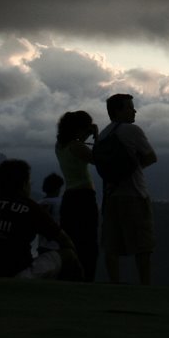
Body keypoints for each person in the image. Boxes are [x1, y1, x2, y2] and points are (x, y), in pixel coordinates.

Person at [0, 159, 79, 279]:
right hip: (17, 273)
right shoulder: (30, 207)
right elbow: (64, 240)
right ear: (24, 184)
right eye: (30, 182)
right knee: (69, 254)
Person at [96, 93, 158, 285]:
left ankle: (114, 284)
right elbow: (150, 157)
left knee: (111, 246)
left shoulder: (103, 135)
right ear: (118, 111)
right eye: (130, 107)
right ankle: (145, 286)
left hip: (111, 196)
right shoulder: (132, 131)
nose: (134, 110)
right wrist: (131, 167)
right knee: (142, 246)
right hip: (134, 194)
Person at [55, 110, 100, 281]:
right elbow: (98, 158)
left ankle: (69, 276)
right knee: (88, 241)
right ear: (78, 129)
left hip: (69, 198)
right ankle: (87, 278)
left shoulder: (60, 146)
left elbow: (79, 142)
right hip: (84, 197)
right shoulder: (77, 146)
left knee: (72, 240)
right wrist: (96, 136)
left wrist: (88, 132)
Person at [37, 172, 64, 258]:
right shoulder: (62, 203)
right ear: (58, 188)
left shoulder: (39, 204)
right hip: (59, 247)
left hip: (42, 247)